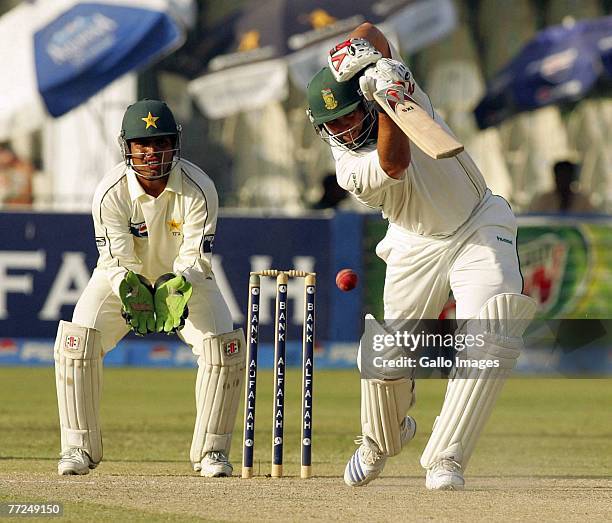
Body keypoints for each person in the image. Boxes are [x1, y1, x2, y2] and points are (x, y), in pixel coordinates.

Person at [306, 23, 537, 490]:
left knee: (492, 328)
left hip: (477, 222)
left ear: (363, 102)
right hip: (414, 242)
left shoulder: (399, 87)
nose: (343, 130)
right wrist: (390, 101)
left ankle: (446, 457)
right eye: (332, 125)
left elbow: (372, 30)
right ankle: (379, 441)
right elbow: (395, 162)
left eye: (349, 117)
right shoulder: (350, 167)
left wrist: (367, 60)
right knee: (386, 357)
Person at [53, 99, 245, 478]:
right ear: (127, 147)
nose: (152, 153)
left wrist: (178, 285)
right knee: (77, 342)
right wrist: (130, 286)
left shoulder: (199, 188)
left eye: (160, 143)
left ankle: (212, 453)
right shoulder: (110, 192)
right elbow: (115, 259)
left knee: (224, 348)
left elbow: (197, 255)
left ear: (175, 144)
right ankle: (77, 447)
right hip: (122, 279)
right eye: (143, 144)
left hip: (185, 280)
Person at [529, 160, 595, 213]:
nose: (563, 180)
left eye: (565, 177)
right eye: (560, 176)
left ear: (572, 178)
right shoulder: (544, 200)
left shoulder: (583, 201)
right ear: (555, 177)